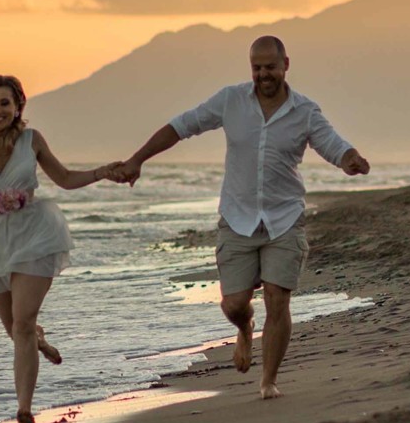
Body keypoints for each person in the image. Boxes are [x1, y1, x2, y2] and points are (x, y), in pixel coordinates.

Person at [111, 36, 370, 400]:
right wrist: (137, 159)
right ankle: (245, 327)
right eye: (256, 67)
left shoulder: (305, 110)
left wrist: (349, 159)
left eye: (270, 67)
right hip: (237, 218)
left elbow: (331, 142)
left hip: (284, 219)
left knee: (278, 299)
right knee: (233, 303)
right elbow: (181, 126)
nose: (263, 74)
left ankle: (268, 380)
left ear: (286, 65)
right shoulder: (230, 100)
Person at [0, 73, 119, 423]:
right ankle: (40, 339)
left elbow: (63, 178)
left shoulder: (32, 140)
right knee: (15, 327)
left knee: (21, 322)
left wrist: (102, 172)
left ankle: (24, 408)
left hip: (34, 233)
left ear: (18, 107)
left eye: (5, 103)